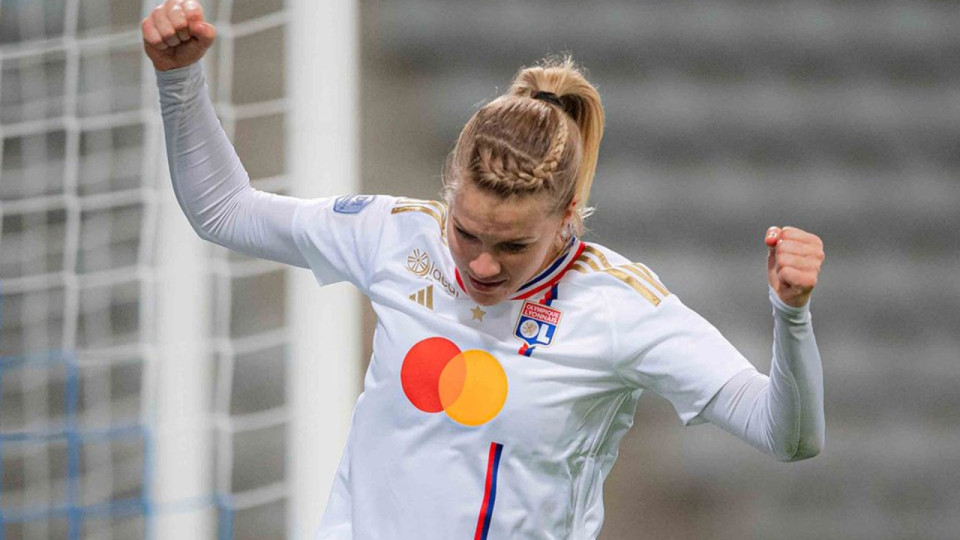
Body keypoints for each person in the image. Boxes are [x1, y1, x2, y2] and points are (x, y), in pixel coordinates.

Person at [143, 1, 826, 538]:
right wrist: (179, 80)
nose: (479, 262)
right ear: (448, 190)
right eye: (465, 231)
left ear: (567, 220)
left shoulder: (620, 307)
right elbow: (225, 212)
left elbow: (786, 435)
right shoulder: (395, 236)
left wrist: (790, 316)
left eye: (512, 246)